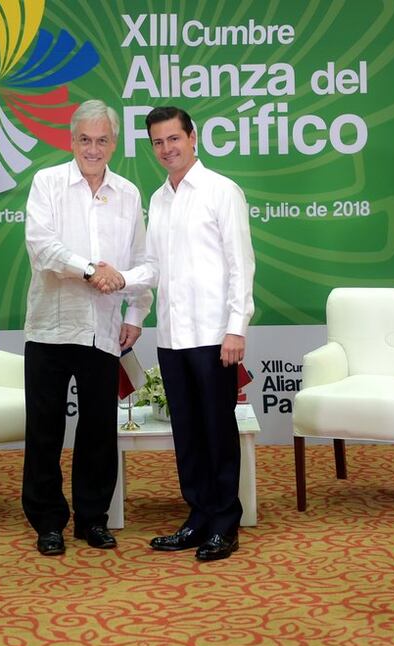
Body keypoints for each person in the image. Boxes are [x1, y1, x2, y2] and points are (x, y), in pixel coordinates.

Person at [123, 106, 255, 562]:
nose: (167, 149)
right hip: (173, 338)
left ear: (193, 137)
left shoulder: (222, 192)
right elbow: (154, 269)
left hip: (216, 336)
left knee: (218, 430)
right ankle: (197, 517)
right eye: (158, 142)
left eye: (174, 139)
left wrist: (236, 329)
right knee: (188, 434)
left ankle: (224, 523)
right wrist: (121, 282)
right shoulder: (158, 200)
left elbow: (241, 266)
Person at [21, 100, 151, 556]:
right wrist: (91, 269)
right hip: (50, 327)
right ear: (70, 140)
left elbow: (142, 263)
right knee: (45, 430)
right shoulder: (48, 183)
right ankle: (48, 522)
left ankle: (92, 520)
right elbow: (42, 248)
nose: (93, 149)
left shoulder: (130, 194)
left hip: (104, 329)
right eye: (85, 140)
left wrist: (135, 316)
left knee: (99, 430)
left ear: (114, 143)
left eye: (102, 140)